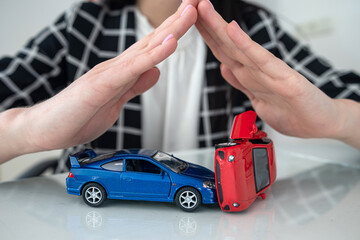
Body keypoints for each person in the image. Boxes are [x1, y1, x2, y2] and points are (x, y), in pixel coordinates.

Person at [0, 0, 359, 168]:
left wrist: (340, 119)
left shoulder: (250, 28)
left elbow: (345, 94)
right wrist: (23, 131)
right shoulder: (84, 24)